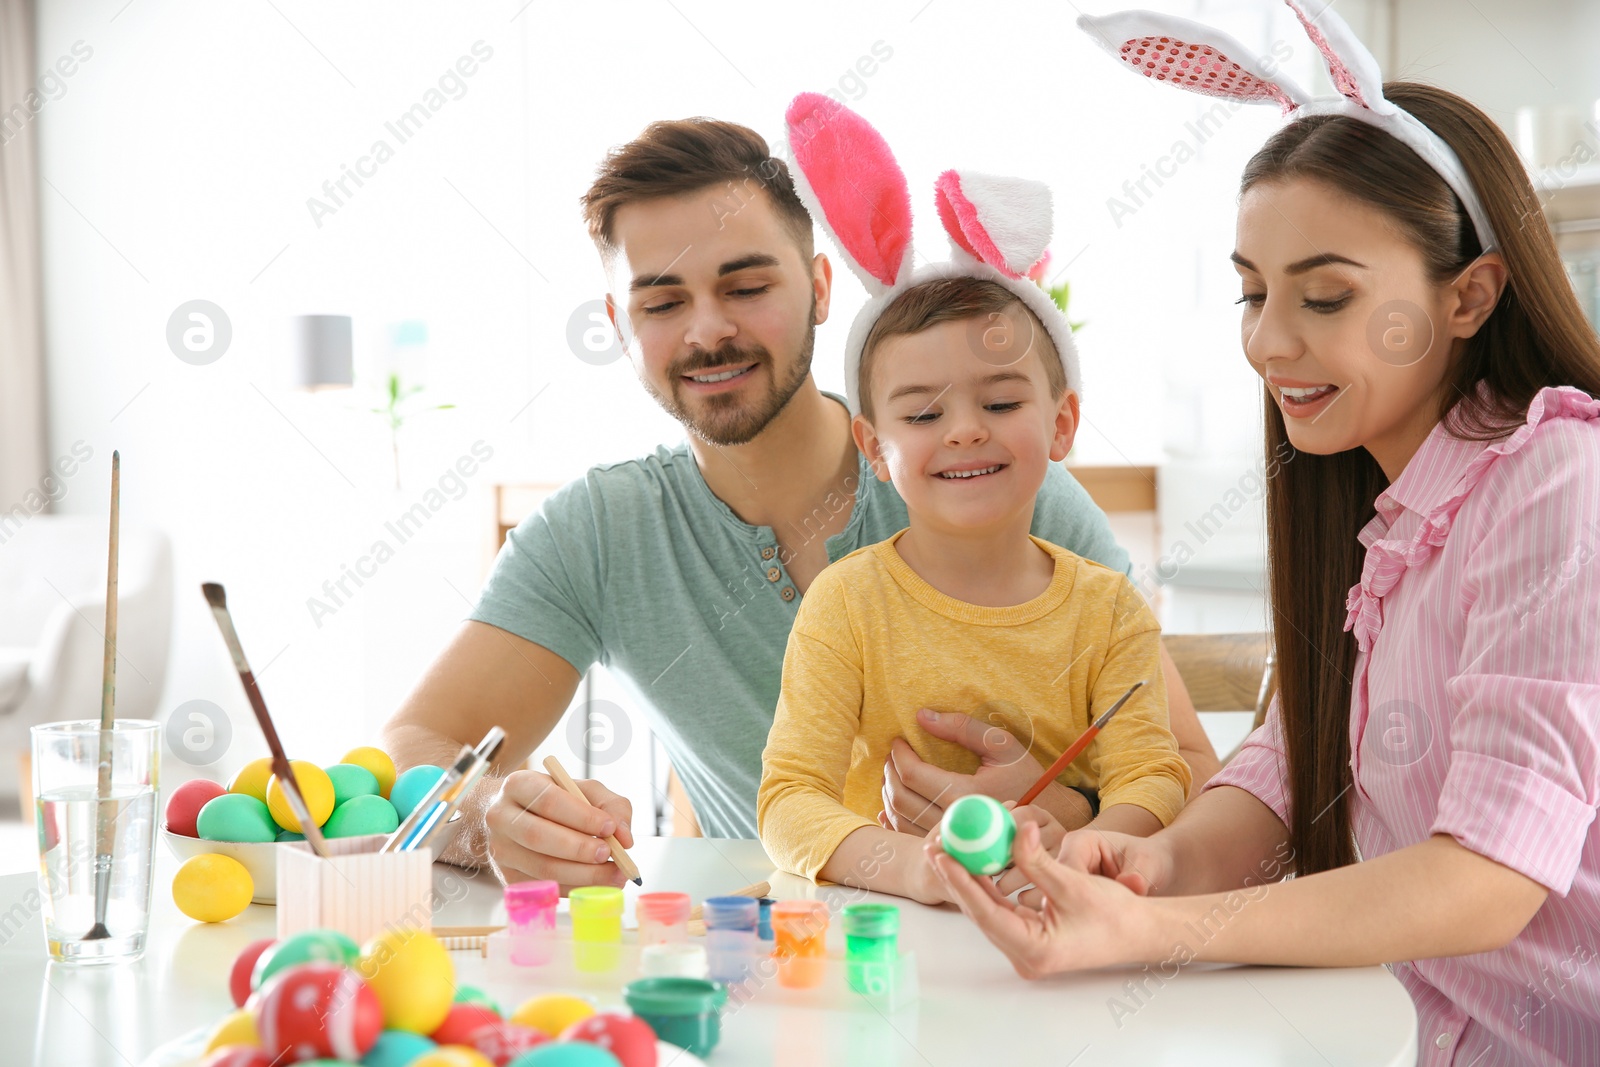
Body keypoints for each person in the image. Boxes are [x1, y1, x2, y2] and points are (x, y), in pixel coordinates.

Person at [930, 5, 1600, 1063]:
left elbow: (1488, 873)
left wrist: (1155, 933)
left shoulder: (1559, 478)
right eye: (1251, 291)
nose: (1268, 340)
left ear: (1468, 296)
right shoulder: (1374, 508)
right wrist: (1145, 864)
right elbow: (1293, 764)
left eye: (1324, 295)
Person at [381, 113, 1219, 892]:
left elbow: (1179, 760)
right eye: (663, 303)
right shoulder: (598, 533)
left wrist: (1062, 807)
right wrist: (485, 820)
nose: (708, 331)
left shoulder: (1001, 490)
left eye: (745, 286)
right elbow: (412, 749)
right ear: (618, 323)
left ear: (821, 286)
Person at [757, 95, 1188, 903]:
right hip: (891, 939)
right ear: (874, 448)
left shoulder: (1109, 610)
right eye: (922, 414)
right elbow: (789, 802)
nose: (962, 432)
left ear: (1062, 425)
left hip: (1067, 922)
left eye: (999, 403)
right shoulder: (846, 604)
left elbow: (1157, 779)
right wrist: (917, 873)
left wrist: (1078, 845)